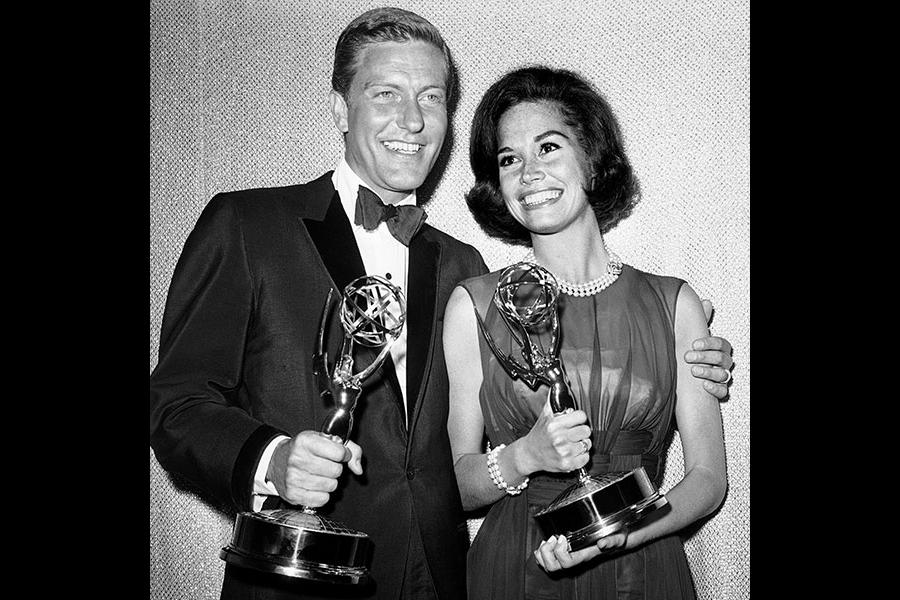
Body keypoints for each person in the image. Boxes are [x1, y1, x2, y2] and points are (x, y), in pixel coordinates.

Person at [149, 7, 733, 600]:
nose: (411, 119)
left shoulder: (463, 267)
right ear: (338, 107)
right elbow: (175, 404)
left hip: (443, 581)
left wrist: (683, 341)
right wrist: (271, 461)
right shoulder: (248, 226)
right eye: (386, 93)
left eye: (431, 98)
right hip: (299, 576)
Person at [444, 65, 728, 599]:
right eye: (509, 159)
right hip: (516, 572)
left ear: (592, 161)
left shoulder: (675, 304)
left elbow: (709, 479)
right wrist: (524, 455)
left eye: (548, 147)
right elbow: (453, 486)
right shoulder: (474, 306)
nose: (528, 172)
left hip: (645, 568)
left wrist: (623, 535)